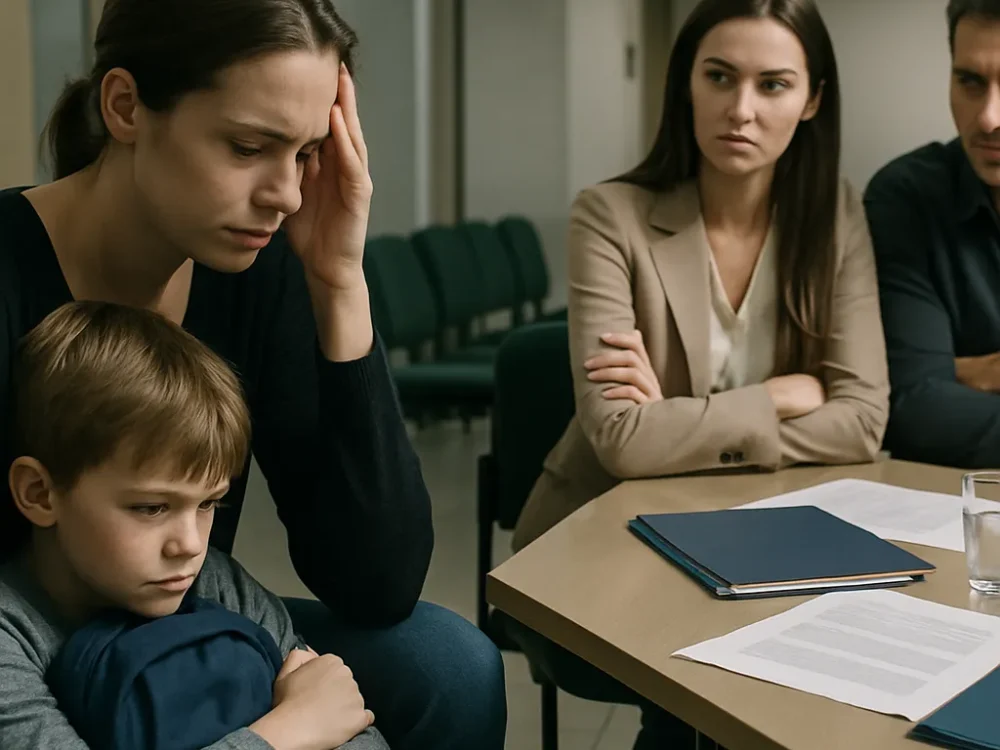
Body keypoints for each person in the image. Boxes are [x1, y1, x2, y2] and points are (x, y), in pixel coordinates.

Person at [0, 2, 506, 748]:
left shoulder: (257, 266)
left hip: (176, 625)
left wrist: (338, 281)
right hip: (20, 652)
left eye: (305, 154)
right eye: (247, 147)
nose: (288, 195)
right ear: (125, 105)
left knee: (448, 665)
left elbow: (376, 581)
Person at [509, 0, 889, 747]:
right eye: (720, 76)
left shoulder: (836, 217)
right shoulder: (609, 216)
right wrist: (779, 396)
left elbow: (865, 419)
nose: (740, 109)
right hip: (601, 546)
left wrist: (676, 418)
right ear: (687, 83)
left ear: (812, 100)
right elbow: (621, 442)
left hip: (772, 545)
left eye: (773, 85)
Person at [1, 300, 388, 750]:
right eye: (151, 508)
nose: (189, 545)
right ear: (39, 493)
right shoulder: (12, 637)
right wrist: (285, 733)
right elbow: (314, 720)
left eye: (209, 504)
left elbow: (351, 729)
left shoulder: (218, 586)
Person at [865, 0, 1000, 468]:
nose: (987, 119)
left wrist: (957, 373)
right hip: (949, 510)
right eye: (970, 82)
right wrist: (935, 381)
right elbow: (914, 408)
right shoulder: (906, 197)